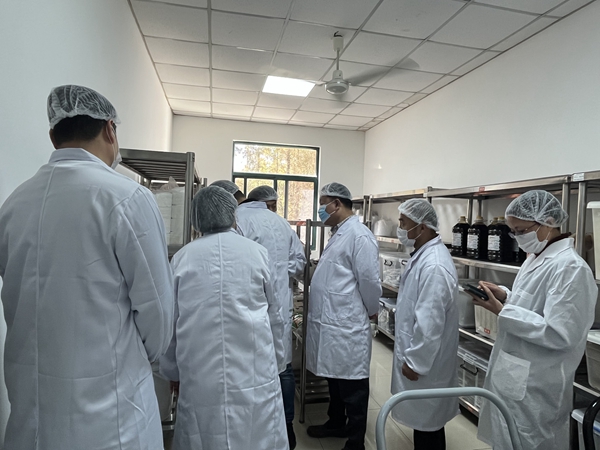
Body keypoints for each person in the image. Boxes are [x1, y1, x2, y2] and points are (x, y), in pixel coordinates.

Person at [0, 85, 174, 449]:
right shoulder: (127, 198)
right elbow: (157, 314)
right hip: (111, 417)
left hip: (32, 417)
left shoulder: (14, 204)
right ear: (110, 129)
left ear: (53, 136)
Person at [466, 190, 598, 450]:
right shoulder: (535, 257)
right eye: (513, 231)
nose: (517, 237)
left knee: (530, 442)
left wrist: (502, 311)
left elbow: (561, 333)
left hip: (538, 386)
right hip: (514, 376)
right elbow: (532, 305)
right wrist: (505, 296)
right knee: (506, 439)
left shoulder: (571, 269)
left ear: (548, 222)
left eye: (521, 230)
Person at [160, 186, 288, 450]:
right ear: (233, 215)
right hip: (255, 369)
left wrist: (172, 370)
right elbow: (274, 315)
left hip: (200, 372)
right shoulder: (257, 253)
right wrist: (276, 362)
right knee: (258, 435)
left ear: (196, 219)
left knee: (203, 435)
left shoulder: (183, 258)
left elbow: (171, 322)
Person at [306, 182, 381, 450]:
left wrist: (372, 309)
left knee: (353, 386)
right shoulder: (340, 232)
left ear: (336, 204)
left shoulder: (359, 235)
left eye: (323, 204)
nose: (320, 210)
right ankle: (336, 422)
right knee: (335, 380)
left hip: (347, 323)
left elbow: (369, 280)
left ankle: (355, 441)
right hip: (332, 322)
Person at [238, 185, 307, 450]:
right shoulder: (282, 225)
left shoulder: (237, 220)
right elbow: (299, 263)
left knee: (250, 368)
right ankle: (287, 427)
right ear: (269, 203)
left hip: (247, 307)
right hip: (279, 307)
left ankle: (257, 427)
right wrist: (280, 270)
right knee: (283, 367)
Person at [391, 199, 459, 450]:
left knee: (428, 427)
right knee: (425, 424)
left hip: (425, 363)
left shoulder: (434, 266)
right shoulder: (423, 256)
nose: (400, 228)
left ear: (421, 227)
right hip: (420, 356)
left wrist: (416, 362)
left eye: (403, 223)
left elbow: (430, 322)